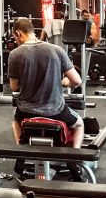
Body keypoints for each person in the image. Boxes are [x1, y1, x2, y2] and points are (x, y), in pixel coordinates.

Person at [7, 16, 84, 149]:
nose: (16, 41)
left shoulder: (14, 54)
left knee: (15, 121)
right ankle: (75, 154)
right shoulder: (57, 50)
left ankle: (20, 151)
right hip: (55, 111)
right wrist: (64, 83)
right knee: (79, 125)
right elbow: (77, 81)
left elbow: (14, 87)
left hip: (26, 111)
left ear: (18, 33)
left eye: (15, 38)